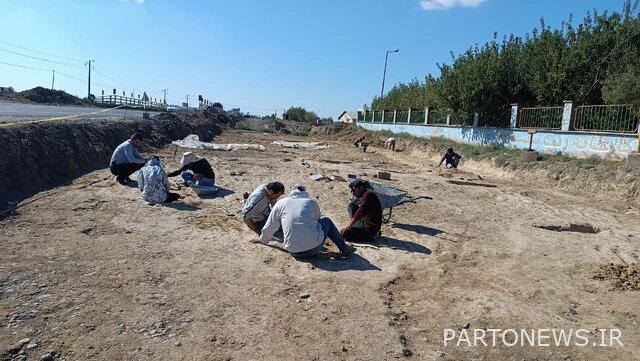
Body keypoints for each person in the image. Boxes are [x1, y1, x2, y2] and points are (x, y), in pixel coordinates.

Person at [249, 185, 355, 259]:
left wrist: (262, 240)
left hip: (293, 251)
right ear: (305, 193)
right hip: (314, 248)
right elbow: (317, 221)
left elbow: (271, 225)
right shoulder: (311, 202)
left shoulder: (281, 203)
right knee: (326, 221)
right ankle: (343, 247)